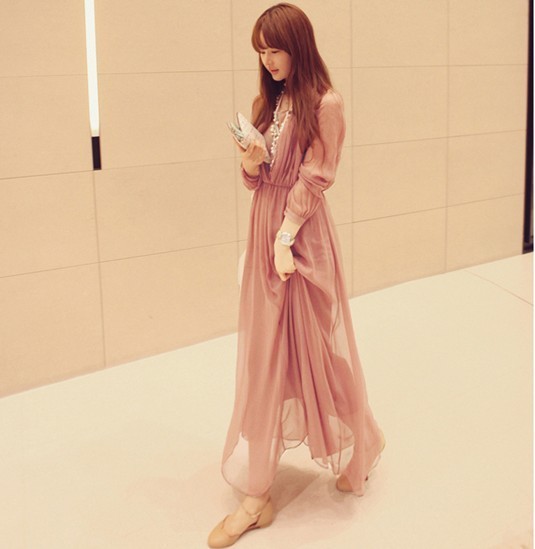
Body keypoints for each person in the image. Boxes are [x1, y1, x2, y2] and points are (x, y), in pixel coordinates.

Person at [208, 3, 385, 547]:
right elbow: (259, 180)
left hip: (300, 237)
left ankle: (363, 439)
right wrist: (250, 162)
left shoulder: (326, 104)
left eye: (275, 49)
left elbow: (316, 177)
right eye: (261, 51)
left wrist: (285, 237)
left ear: (298, 46)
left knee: (314, 352)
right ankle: (258, 493)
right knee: (267, 357)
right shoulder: (271, 101)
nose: (268, 59)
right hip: (267, 230)